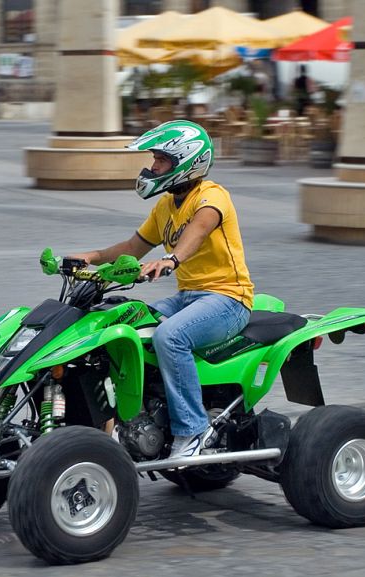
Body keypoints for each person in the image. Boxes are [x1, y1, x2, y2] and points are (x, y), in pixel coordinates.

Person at [69, 120, 254, 458]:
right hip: (188, 298)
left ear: (187, 162)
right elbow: (132, 247)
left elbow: (197, 232)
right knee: (119, 324)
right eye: (154, 159)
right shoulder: (166, 206)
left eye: (161, 161)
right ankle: (125, 422)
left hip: (228, 298)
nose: (152, 167)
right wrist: (89, 258)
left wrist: (171, 260)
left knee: (170, 337)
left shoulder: (212, 197)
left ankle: (194, 431)